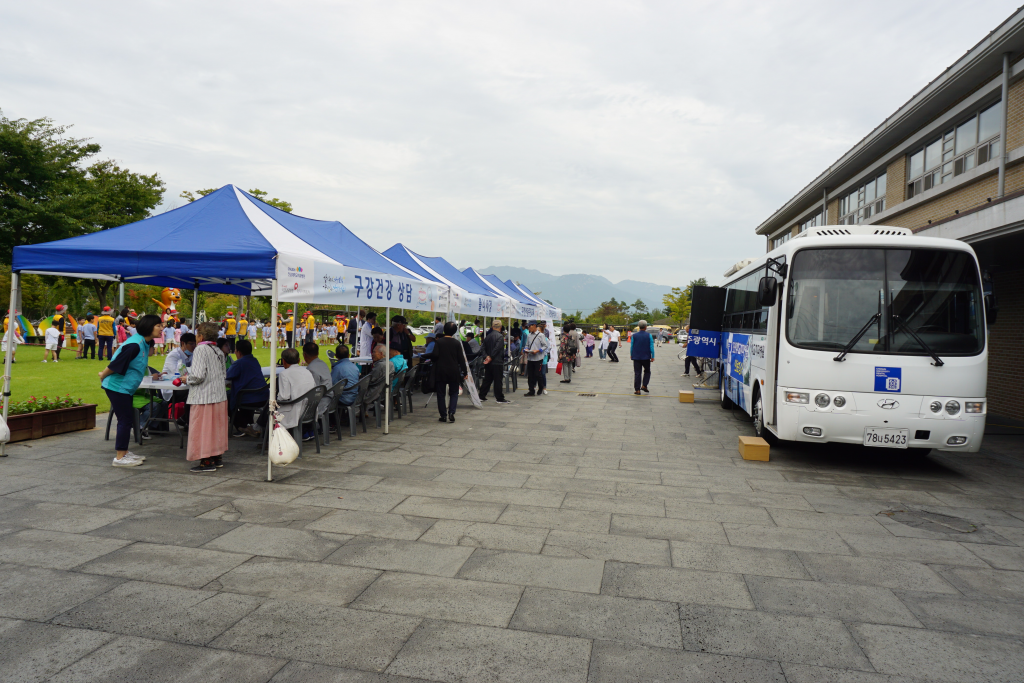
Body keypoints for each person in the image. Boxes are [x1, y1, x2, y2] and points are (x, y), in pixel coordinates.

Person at [99, 314, 164, 467]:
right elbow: (116, 363)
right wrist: (103, 374)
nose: (162, 328)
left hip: (126, 388)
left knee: (127, 419)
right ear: (149, 327)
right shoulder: (134, 345)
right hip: (117, 387)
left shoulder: (145, 343)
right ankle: (120, 457)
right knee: (125, 420)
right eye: (159, 326)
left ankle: (125, 452)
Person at [184, 322, 229, 472]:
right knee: (216, 429)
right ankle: (217, 456)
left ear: (201, 336)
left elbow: (197, 376)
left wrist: (186, 379)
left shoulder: (201, 349)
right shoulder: (218, 350)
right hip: (218, 395)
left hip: (204, 397)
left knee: (202, 429)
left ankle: (206, 461)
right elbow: (223, 374)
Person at [423, 321, 468, 422]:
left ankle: (443, 415)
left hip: (441, 370)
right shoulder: (457, 343)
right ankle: (451, 412)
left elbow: (434, 355)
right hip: (454, 370)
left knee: (441, 393)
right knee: (454, 392)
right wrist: (465, 372)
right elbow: (461, 359)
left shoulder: (439, 342)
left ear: (444, 330)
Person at [227, 339, 269, 437]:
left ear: (239, 352)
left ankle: (241, 426)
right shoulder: (254, 360)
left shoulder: (239, 363)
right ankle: (250, 425)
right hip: (263, 396)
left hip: (249, 397)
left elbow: (227, 375)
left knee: (226, 400)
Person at [303, 341, 333, 437]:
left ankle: (307, 431)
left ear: (304, 355)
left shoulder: (311, 369)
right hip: (330, 397)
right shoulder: (323, 364)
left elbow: (313, 391)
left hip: (322, 400)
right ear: (318, 353)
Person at [479, 320, 510, 404]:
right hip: (497, 361)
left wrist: (486, 357)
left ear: (492, 327)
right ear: (500, 327)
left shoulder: (488, 336)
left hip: (489, 362)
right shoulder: (500, 337)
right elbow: (497, 348)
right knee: (498, 380)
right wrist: (491, 357)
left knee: (487, 379)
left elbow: (482, 348)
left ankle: (481, 395)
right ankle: (499, 398)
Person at [330, 344, 361, 411]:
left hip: (344, 398)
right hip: (355, 396)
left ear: (336, 356)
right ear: (348, 355)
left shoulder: (337, 368)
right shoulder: (355, 367)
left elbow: (332, 386)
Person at [523, 320, 550, 397]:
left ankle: (541, 388)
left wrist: (538, 350)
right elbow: (527, 345)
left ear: (534, 325)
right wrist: (526, 350)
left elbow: (545, 346)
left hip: (538, 358)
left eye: (530, 326)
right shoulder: (529, 335)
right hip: (530, 358)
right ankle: (531, 390)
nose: (529, 328)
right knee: (530, 375)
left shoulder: (541, 335)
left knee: (538, 374)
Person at [630, 320, 655, 395]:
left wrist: (631, 354)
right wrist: (652, 356)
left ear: (639, 327)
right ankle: (644, 385)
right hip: (646, 357)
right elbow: (651, 346)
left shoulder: (634, 335)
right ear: (645, 327)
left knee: (637, 373)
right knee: (647, 371)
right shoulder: (649, 335)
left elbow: (632, 346)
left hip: (636, 356)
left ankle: (637, 390)